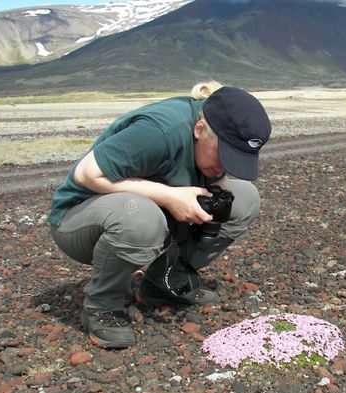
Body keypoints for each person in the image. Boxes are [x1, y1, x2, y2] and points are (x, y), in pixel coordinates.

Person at [47, 82, 271, 349]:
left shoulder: (213, 125)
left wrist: (215, 197)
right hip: (79, 219)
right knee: (141, 216)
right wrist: (169, 197)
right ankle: (102, 306)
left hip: (142, 209)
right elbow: (86, 174)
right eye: (224, 155)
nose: (226, 166)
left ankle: (164, 283)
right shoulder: (161, 131)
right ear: (200, 129)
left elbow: (215, 177)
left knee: (244, 199)